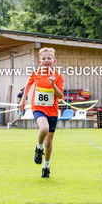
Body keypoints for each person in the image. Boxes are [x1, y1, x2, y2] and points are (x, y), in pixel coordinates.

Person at [19, 47, 64, 178]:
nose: (46, 60)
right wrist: (23, 100)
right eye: (43, 58)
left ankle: (46, 166)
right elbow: (28, 84)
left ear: (54, 61)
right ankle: (39, 148)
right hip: (38, 108)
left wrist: (53, 84)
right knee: (44, 129)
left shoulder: (58, 76)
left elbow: (60, 96)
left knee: (48, 142)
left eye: (49, 58)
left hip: (52, 111)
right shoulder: (36, 73)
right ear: (40, 61)